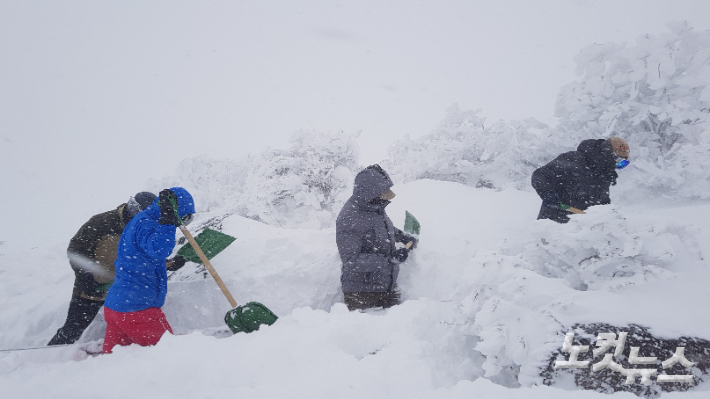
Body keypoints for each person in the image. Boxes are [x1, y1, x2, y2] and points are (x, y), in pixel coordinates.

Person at [48, 191, 177, 346]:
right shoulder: (102, 222)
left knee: (121, 330)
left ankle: (118, 359)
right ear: (131, 207)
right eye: (136, 211)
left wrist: (168, 263)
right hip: (92, 290)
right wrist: (87, 276)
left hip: (123, 290)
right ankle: (50, 355)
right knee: (73, 329)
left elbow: (147, 255)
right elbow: (76, 250)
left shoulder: (143, 227)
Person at [102, 187, 195, 354]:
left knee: (114, 364)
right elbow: (160, 249)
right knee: (169, 355)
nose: (183, 224)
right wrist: (168, 221)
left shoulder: (141, 220)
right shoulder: (147, 224)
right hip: (137, 310)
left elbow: (144, 259)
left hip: (116, 307)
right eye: (184, 218)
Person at [336, 165, 418, 311]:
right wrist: (389, 260)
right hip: (361, 294)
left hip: (386, 286)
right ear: (371, 193)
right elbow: (350, 261)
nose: (387, 196)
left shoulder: (373, 207)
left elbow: (382, 228)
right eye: (383, 193)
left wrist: (402, 237)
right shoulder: (349, 218)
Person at [531, 137, 630, 224]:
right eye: (619, 162)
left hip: (582, 231)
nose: (618, 167)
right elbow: (539, 176)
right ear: (609, 154)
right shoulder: (573, 160)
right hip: (553, 225)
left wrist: (608, 215)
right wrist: (550, 198)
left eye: (624, 163)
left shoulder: (603, 174)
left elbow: (601, 202)